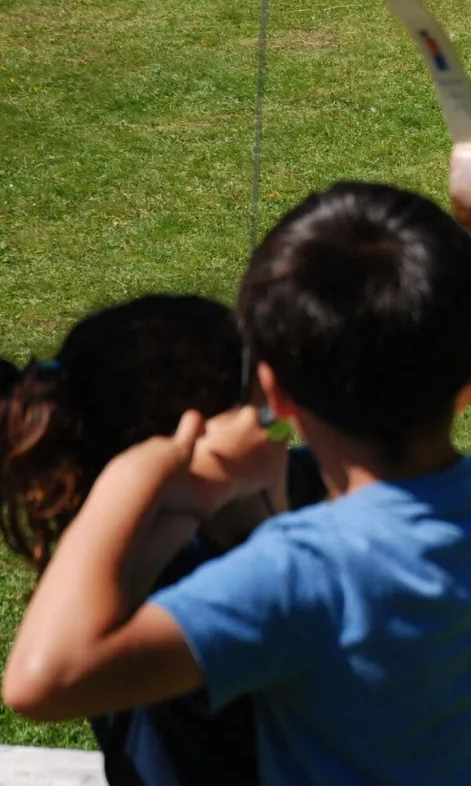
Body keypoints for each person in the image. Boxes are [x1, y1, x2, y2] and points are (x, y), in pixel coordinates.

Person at [3, 182, 471, 785]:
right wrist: (467, 385)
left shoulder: (285, 573)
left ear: (279, 397)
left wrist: (144, 474)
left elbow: (39, 677)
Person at [0, 293, 317, 786]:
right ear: (203, 442)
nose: (281, 416)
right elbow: (39, 678)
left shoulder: (298, 487)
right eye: (264, 405)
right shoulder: (166, 585)